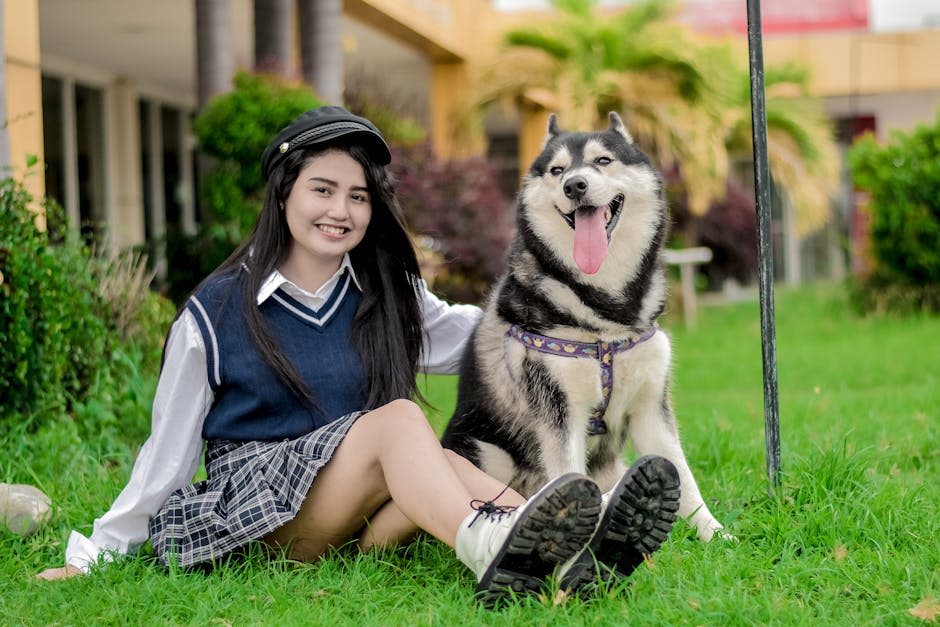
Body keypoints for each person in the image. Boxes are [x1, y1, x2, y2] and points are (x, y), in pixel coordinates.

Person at [35, 106, 609, 608]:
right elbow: (166, 456)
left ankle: (568, 544)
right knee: (399, 421)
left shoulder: (384, 294)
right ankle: (492, 546)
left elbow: (480, 337)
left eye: (358, 196)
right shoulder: (214, 313)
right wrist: (97, 554)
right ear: (284, 192)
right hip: (257, 521)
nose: (341, 210)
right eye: (323, 189)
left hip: (351, 519)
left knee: (443, 463)